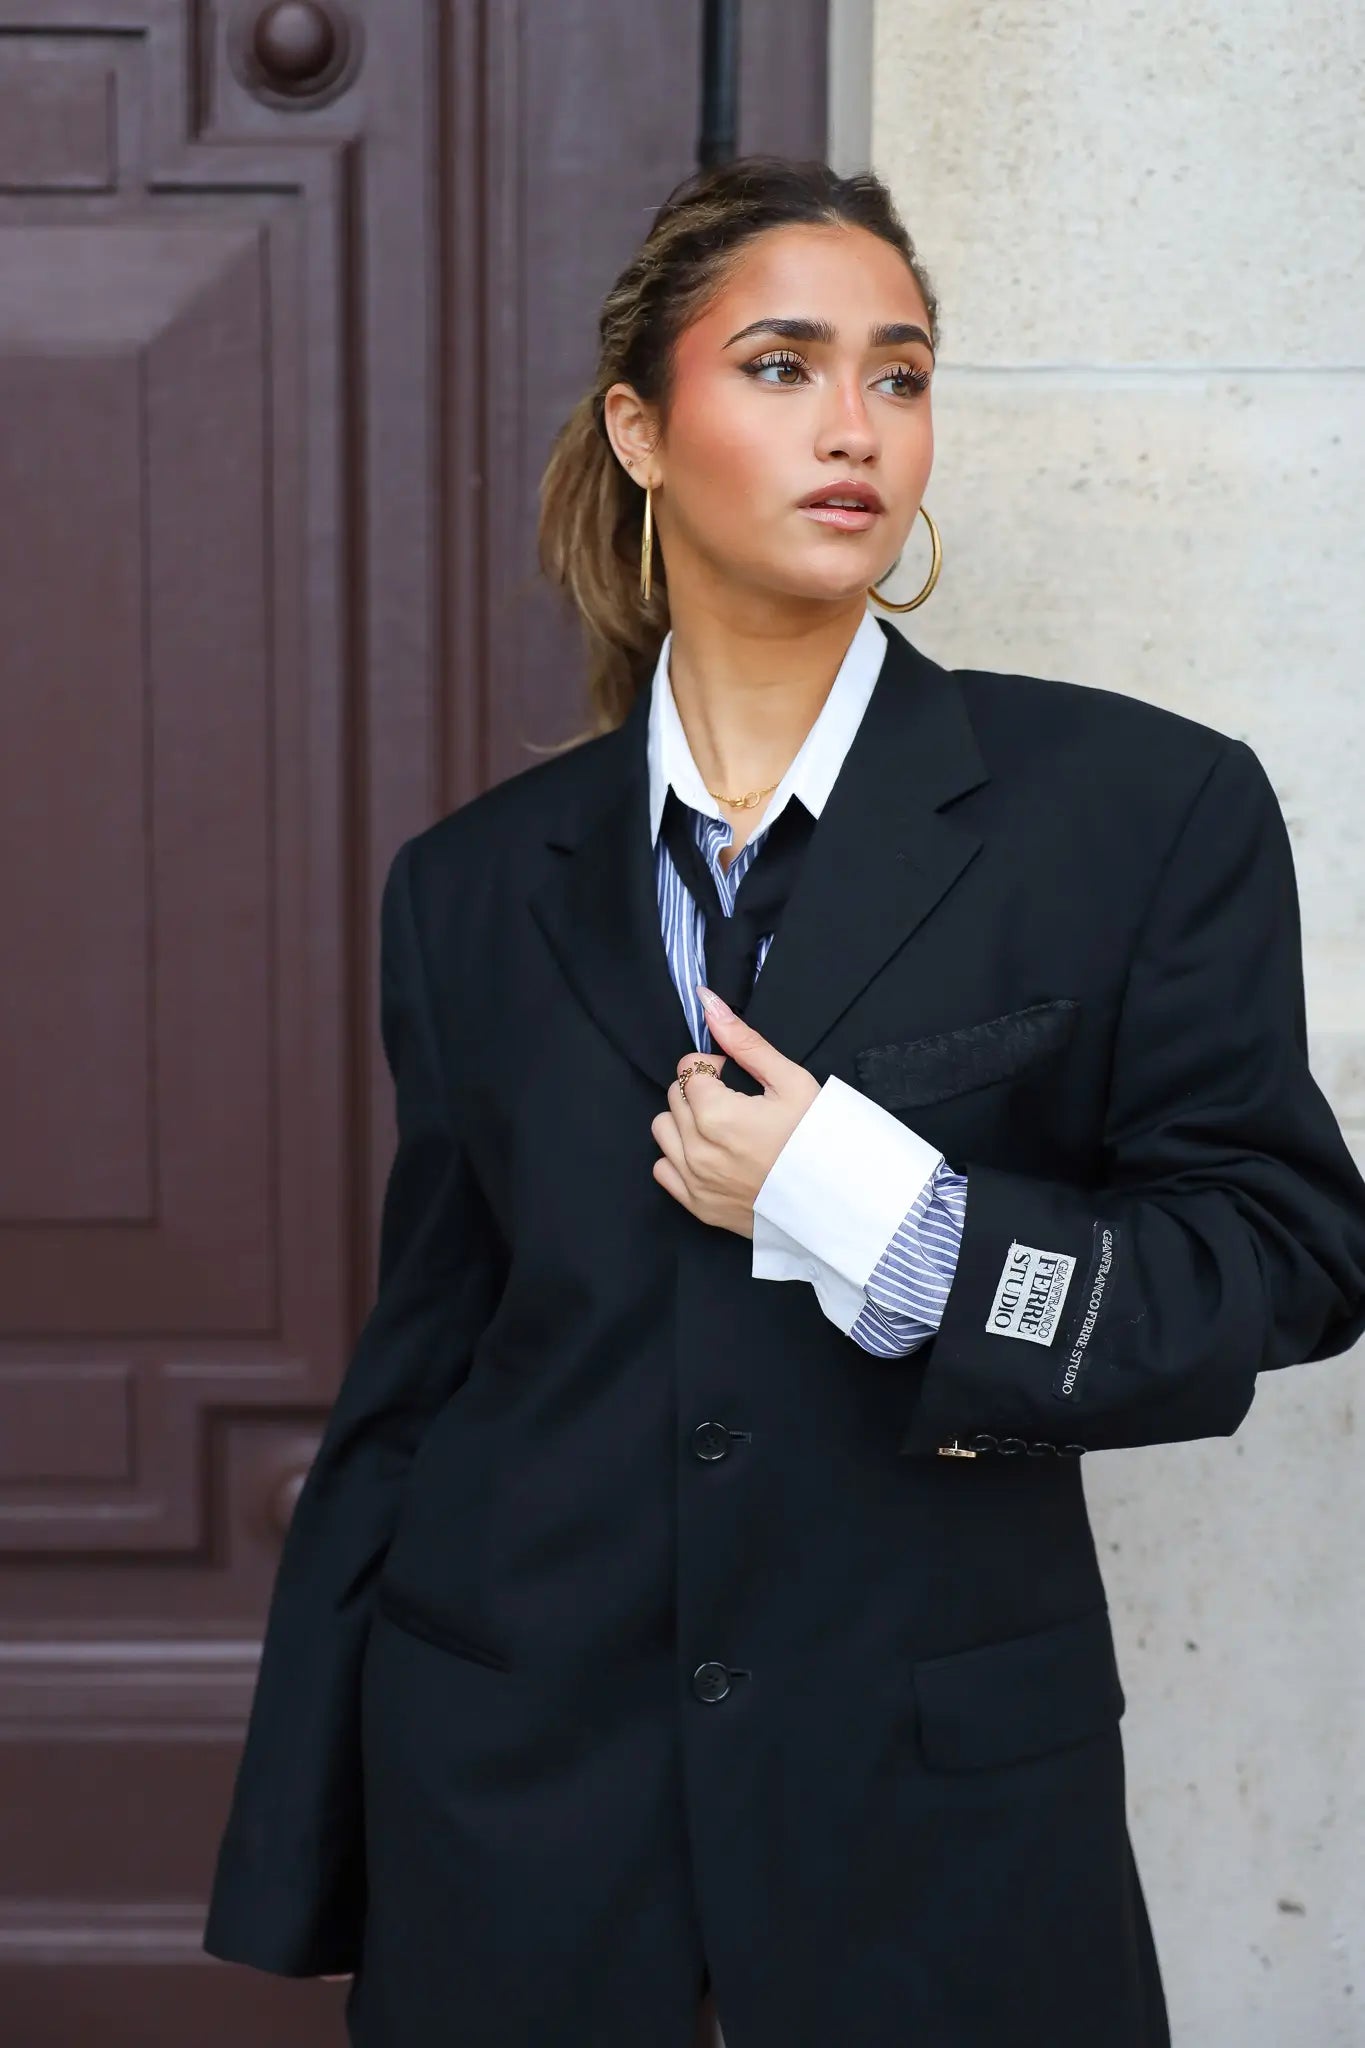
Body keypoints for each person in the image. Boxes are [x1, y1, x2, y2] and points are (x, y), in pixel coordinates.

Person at [201, 154, 1365, 2048]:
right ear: (638, 432)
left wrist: (887, 1215)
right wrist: (310, 1851)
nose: (855, 427)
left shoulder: (1140, 811)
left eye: (897, 375)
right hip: (511, 1796)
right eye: (781, 366)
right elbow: (425, 1374)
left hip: (936, 1823)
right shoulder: (468, 886)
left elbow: (1281, 1263)